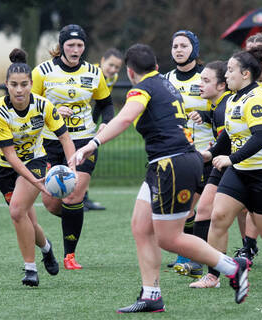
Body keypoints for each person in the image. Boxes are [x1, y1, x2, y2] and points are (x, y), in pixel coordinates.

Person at [69, 43, 251, 312]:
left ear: (130, 73)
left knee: (169, 238)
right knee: (140, 226)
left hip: (172, 164)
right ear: (155, 65)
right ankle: (152, 295)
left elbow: (124, 118)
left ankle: (231, 266)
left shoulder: (143, 88)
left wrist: (91, 143)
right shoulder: (164, 83)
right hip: (164, 163)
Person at [0, 48, 76, 286]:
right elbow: (10, 155)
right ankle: (47, 248)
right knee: (28, 220)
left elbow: (65, 138)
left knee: (16, 211)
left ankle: (30, 270)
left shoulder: (44, 105)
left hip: (36, 160)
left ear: (31, 84)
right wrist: (36, 182)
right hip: (7, 167)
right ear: (6, 85)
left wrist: (72, 167)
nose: (19, 90)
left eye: (24, 84)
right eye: (14, 84)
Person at [32, 24, 114, 270]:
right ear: (62, 46)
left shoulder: (94, 73)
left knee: (73, 194)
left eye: (80, 45)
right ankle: (73, 215)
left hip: (83, 141)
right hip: (49, 142)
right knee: (52, 203)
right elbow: (29, 106)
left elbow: (107, 104)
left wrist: (106, 124)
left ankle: (70, 256)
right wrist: (52, 111)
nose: (76, 49)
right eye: (71, 45)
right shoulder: (42, 72)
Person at [202, 46, 262, 288]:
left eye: (230, 70)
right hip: (239, 173)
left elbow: (260, 136)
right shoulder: (233, 99)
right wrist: (209, 153)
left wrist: (231, 159)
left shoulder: (257, 99)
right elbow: (228, 137)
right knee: (218, 217)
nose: (226, 75)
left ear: (245, 74)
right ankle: (213, 275)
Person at [176, 61, 233, 287]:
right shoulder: (215, 107)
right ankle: (208, 271)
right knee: (206, 214)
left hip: (240, 167)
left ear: (221, 85)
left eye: (206, 81)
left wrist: (206, 154)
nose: (200, 84)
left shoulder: (223, 107)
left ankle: (214, 266)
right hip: (224, 166)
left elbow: (225, 145)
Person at [164, 30, 214, 273]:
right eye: (175, 46)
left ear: (194, 49)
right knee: (183, 207)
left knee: (189, 208)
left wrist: (205, 115)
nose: (179, 50)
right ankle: (190, 254)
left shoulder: (206, 78)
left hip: (206, 154)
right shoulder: (166, 79)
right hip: (177, 154)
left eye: (184, 45)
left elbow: (223, 108)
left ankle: (194, 256)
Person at [234, 31, 262, 268]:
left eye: (259, 51)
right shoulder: (241, 85)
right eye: (249, 52)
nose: (255, 56)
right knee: (243, 204)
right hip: (250, 156)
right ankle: (248, 246)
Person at [84, 47, 124, 211]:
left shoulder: (111, 78)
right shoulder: (90, 73)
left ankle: (83, 197)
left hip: (89, 121)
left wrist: (98, 123)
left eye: (117, 67)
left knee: (88, 158)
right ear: (101, 61)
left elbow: (102, 103)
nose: (113, 70)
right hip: (75, 121)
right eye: (110, 65)